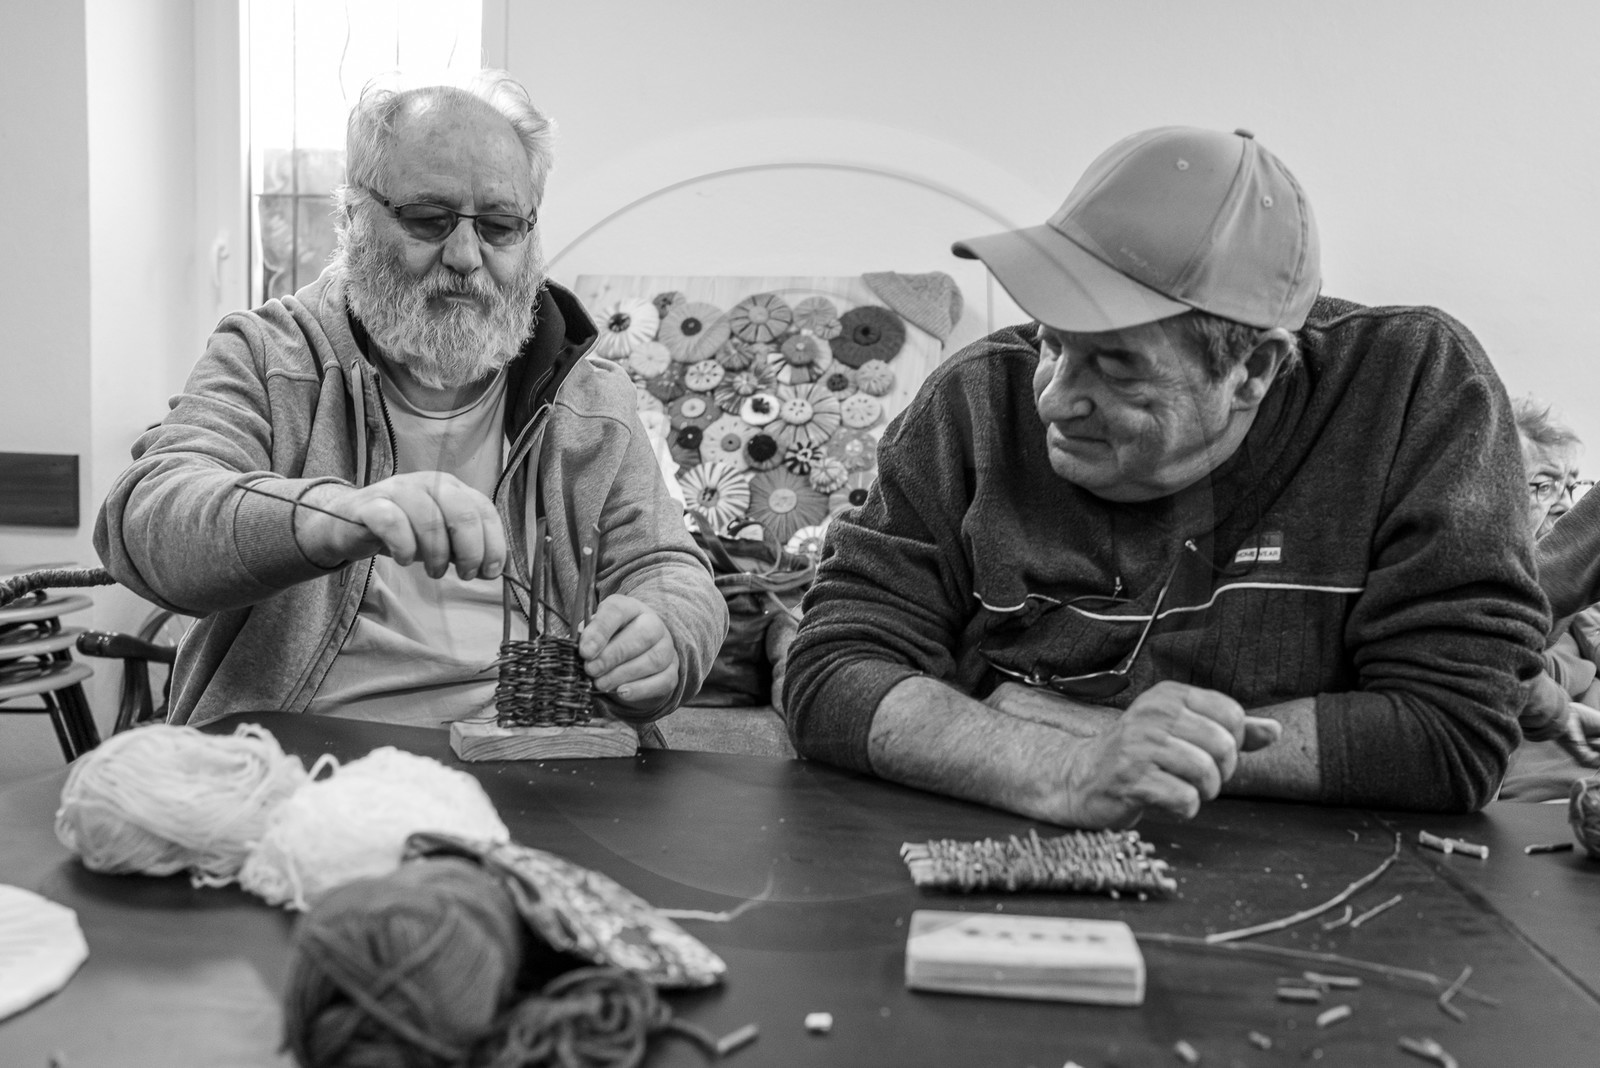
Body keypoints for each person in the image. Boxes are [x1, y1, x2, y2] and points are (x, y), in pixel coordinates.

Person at [783, 126, 1547, 827]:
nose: (1051, 397)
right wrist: (1066, 768)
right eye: (1053, 342)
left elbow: (1453, 732)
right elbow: (831, 671)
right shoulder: (974, 402)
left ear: (1253, 371)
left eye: (1115, 366)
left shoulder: (1414, 390)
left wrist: (1105, 740)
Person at [95, 70, 726, 730]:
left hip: (543, 763)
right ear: (352, 220)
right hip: (299, 763)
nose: (464, 254)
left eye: (500, 226)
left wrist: (665, 635)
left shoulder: (591, 400)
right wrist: (334, 515)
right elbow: (145, 520)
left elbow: (670, 569)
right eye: (429, 219)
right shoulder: (269, 356)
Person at [1501, 397, 1600, 799]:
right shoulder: (1485, 593)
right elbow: (1499, 659)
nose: (1563, 504)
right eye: (1543, 486)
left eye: (1571, 485)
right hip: (1539, 807)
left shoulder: (1581, 607)